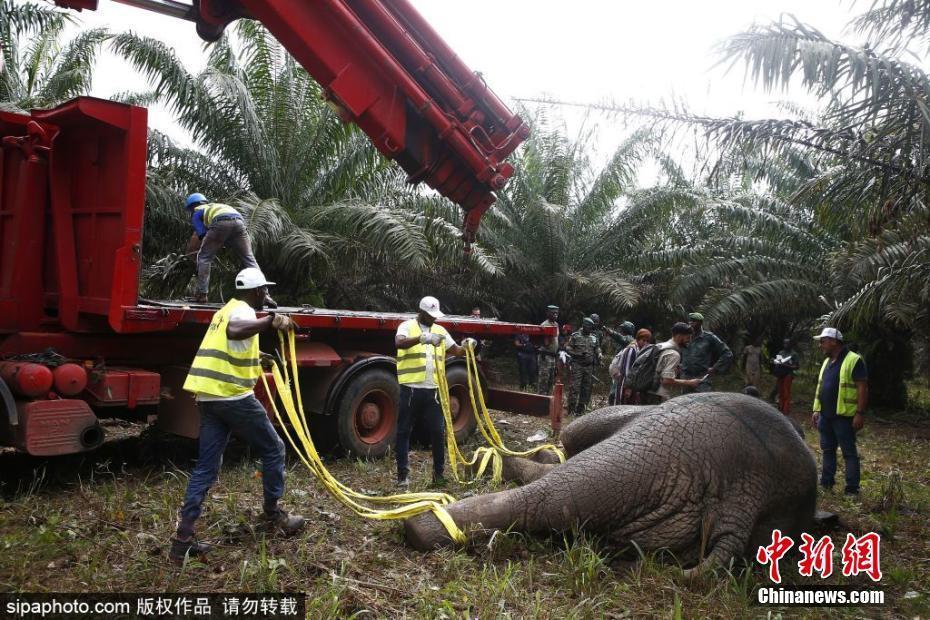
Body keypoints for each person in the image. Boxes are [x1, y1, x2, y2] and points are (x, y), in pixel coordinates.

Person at [170, 268, 303, 562]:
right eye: (265, 292)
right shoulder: (243, 311)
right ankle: (273, 514)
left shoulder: (225, 309)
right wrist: (270, 319)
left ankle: (183, 540)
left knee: (206, 467)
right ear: (256, 292)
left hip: (208, 397)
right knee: (274, 448)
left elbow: (230, 343)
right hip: (233, 397)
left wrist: (259, 357)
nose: (267, 297)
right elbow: (237, 330)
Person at [395, 296, 474, 488]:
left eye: (435, 316)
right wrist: (422, 338)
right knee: (404, 431)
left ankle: (438, 475)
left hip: (434, 391)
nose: (434, 319)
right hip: (411, 389)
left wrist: (468, 346)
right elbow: (399, 343)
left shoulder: (440, 330)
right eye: (430, 315)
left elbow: (455, 350)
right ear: (421, 312)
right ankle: (403, 476)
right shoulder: (406, 326)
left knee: (438, 432)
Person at [184, 193, 275, 307]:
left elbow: (202, 234)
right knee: (249, 259)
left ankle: (202, 294)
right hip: (239, 223)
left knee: (204, 257)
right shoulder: (217, 206)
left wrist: (212, 244)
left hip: (220, 223)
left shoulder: (197, 211)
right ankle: (265, 294)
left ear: (192, 206)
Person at [811, 327, 868, 496]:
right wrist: (816, 410)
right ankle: (826, 483)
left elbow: (862, 388)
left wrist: (860, 413)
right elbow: (821, 387)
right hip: (825, 416)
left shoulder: (853, 360)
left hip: (844, 417)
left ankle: (852, 488)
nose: (821, 345)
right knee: (827, 450)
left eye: (823, 341)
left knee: (849, 453)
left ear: (834, 342)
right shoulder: (827, 362)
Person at [645, 323, 702, 404]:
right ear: (679, 336)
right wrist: (690, 382)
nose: (689, 340)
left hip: (647, 391)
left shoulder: (660, 345)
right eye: (687, 337)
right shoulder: (674, 354)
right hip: (658, 396)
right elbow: (666, 381)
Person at [680, 312, 733, 392]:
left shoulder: (709, 337)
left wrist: (715, 368)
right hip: (686, 378)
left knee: (703, 403)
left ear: (700, 323)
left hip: (702, 379)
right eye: (690, 321)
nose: (691, 323)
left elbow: (727, 353)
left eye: (694, 321)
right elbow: (678, 350)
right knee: (686, 403)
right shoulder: (685, 337)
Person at [565, 317, 599, 415]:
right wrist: (576, 354)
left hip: (589, 367)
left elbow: (597, 348)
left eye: (592, 327)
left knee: (586, 389)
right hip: (577, 365)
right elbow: (568, 347)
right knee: (574, 388)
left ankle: (581, 410)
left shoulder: (594, 338)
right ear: (584, 326)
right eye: (589, 327)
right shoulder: (575, 336)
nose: (590, 329)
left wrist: (599, 354)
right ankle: (571, 410)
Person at [610, 328, 651, 405]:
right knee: (621, 406)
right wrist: (628, 388)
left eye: (647, 341)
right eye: (643, 340)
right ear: (638, 339)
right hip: (624, 383)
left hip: (630, 384)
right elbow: (626, 370)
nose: (645, 343)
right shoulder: (631, 349)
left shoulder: (638, 349)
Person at [771, 338, 801, 415]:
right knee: (780, 391)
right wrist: (775, 362)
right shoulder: (781, 352)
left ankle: (785, 410)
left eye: (787, 343)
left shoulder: (794, 354)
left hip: (788, 374)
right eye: (784, 343)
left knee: (786, 392)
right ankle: (780, 407)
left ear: (791, 344)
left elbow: (797, 366)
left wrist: (786, 365)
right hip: (780, 374)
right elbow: (778, 362)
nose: (785, 345)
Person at [536, 305, 560, 394]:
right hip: (545, 356)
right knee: (543, 380)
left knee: (551, 380)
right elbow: (545, 343)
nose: (555, 315)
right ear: (548, 313)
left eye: (557, 313)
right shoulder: (544, 325)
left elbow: (556, 340)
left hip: (553, 356)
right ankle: (541, 400)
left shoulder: (556, 325)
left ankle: (548, 400)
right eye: (553, 313)